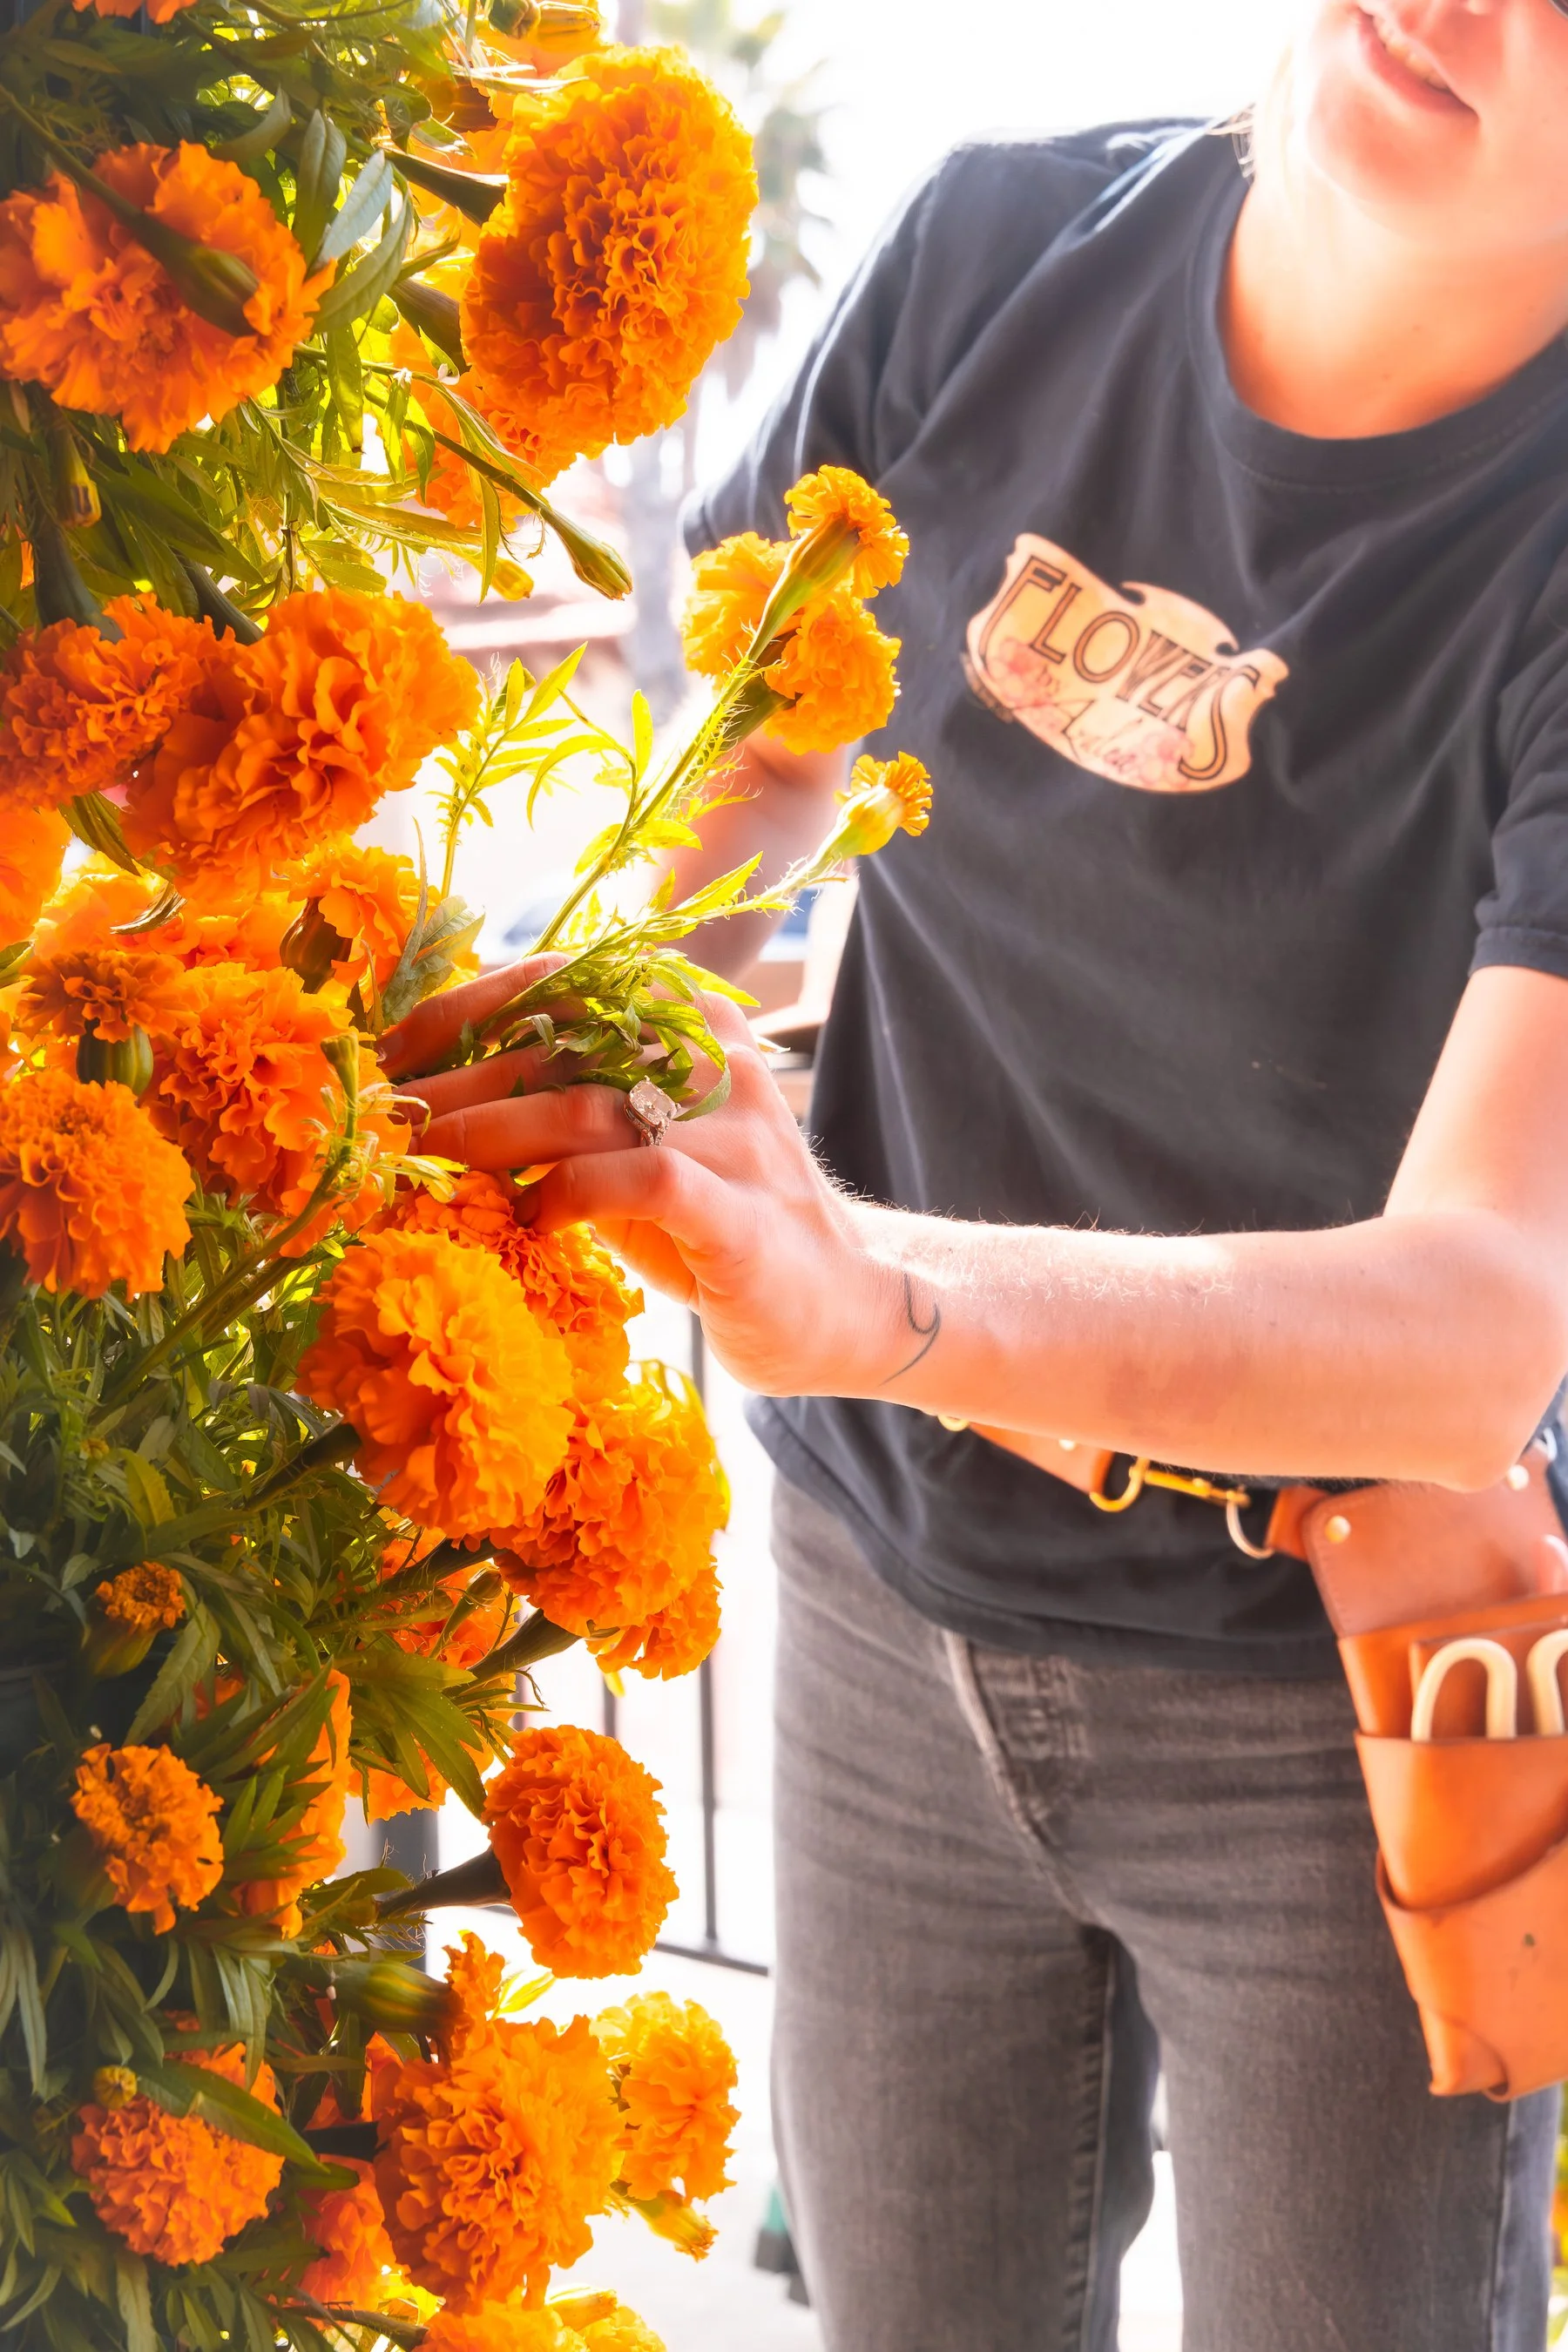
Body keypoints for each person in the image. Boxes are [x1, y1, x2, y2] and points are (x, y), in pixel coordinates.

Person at [382, 6, 1568, 2345]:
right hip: (870, 1592)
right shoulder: (998, 244)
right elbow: (735, 831)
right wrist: (546, 1061)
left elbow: (1481, 1310)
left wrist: (874, 1289)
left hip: (1330, 1692)